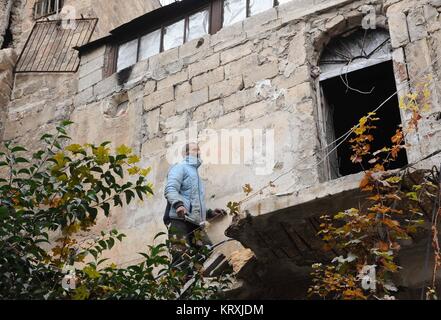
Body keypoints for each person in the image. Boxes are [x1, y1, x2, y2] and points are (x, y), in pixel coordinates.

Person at [164, 143, 225, 266]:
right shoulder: (179, 167)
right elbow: (170, 189)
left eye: (199, 149)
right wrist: (178, 205)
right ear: (186, 153)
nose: (199, 152)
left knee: (206, 249)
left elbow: (194, 202)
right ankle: (178, 284)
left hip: (194, 222)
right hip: (178, 219)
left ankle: (193, 278)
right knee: (180, 254)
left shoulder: (196, 175)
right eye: (195, 149)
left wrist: (209, 213)